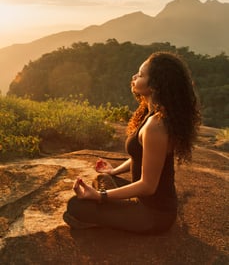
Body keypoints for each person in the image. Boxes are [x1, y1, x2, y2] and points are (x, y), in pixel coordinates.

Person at [63, 51, 201, 234]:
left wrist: (100, 196)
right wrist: (114, 170)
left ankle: (108, 216)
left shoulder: (156, 126)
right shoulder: (150, 114)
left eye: (141, 75)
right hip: (143, 202)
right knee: (103, 178)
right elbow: (143, 156)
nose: (134, 77)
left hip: (154, 215)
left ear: (155, 86)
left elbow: (148, 186)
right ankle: (112, 210)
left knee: (76, 206)